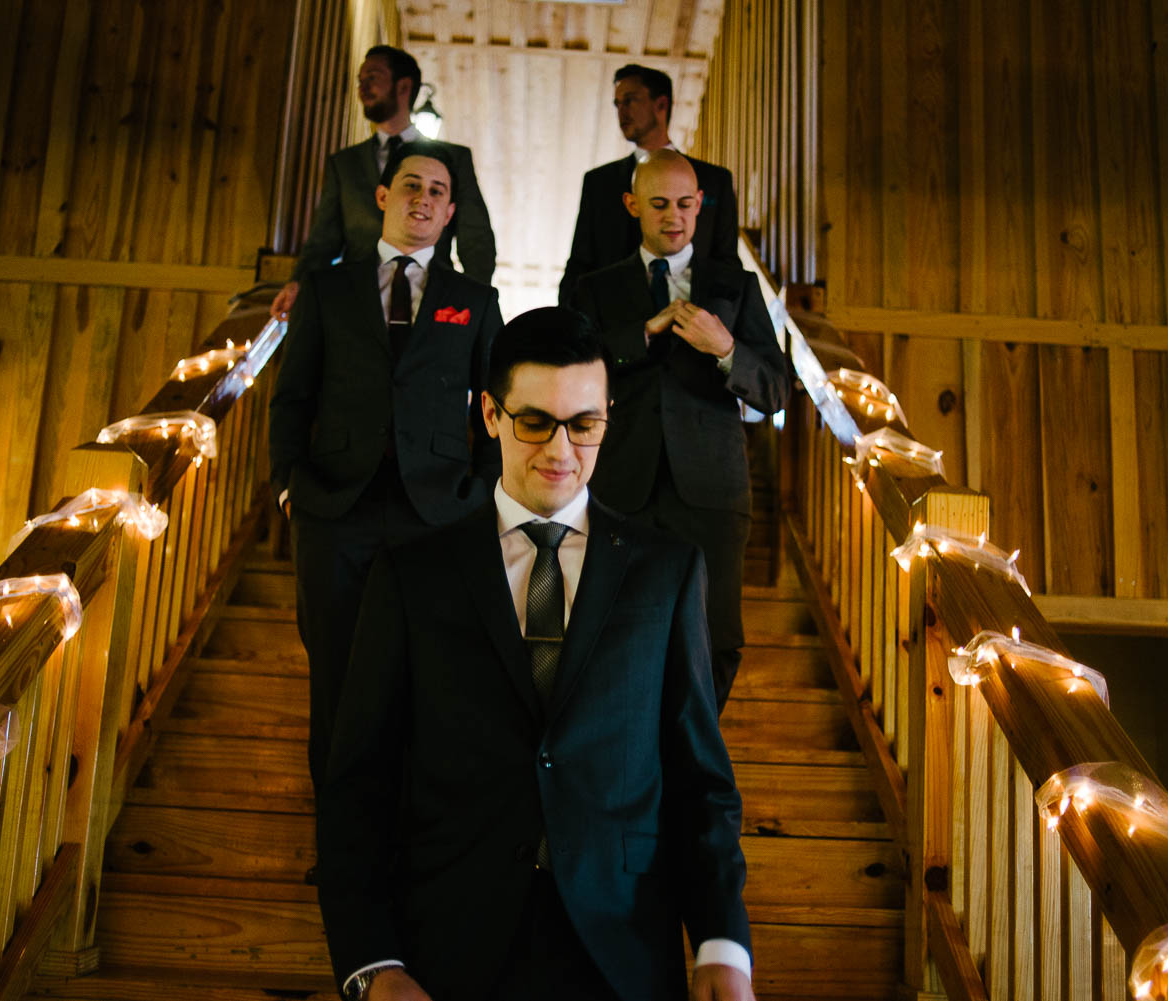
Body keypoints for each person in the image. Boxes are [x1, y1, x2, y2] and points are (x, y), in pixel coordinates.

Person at [318, 308, 755, 1001]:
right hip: (446, 953)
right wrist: (373, 963)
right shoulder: (410, 573)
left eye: (584, 424)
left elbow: (700, 780)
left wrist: (722, 945)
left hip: (624, 955)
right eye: (535, 422)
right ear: (490, 413)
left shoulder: (667, 572)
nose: (561, 449)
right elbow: (357, 785)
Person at [269, 141, 502, 785]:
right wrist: (289, 486)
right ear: (382, 197)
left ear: (450, 211)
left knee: (426, 677)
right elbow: (293, 397)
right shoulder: (327, 289)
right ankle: (339, 844)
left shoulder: (473, 300)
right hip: (333, 509)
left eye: (435, 191)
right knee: (336, 677)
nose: (421, 199)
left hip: (435, 513)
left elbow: (495, 404)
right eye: (410, 186)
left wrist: (479, 493)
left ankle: (407, 843)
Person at [569, 150, 789, 711]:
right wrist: (639, 334)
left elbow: (776, 389)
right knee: (612, 635)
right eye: (660, 204)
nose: (674, 216)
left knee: (714, 641)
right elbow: (570, 377)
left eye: (686, 205)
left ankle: (694, 765)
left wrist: (727, 349)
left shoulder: (734, 285)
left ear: (701, 207)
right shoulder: (595, 288)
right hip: (620, 487)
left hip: (712, 491)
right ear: (632, 205)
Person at [271, 45, 496, 318]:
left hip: (431, 301)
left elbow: (476, 239)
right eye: (360, 81)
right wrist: (298, 283)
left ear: (403, 87)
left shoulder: (454, 159)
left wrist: (473, 299)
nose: (363, 88)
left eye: (372, 78)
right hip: (356, 302)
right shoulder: (344, 164)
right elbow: (323, 241)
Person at [558, 64, 739, 305]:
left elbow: (726, 262)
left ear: (661, 105)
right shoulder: (599, 182)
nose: (621, 111)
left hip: (692, 318)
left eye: (630, 101)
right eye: (617, 104)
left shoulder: (715, 180)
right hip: (613, 321)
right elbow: (581, 262)